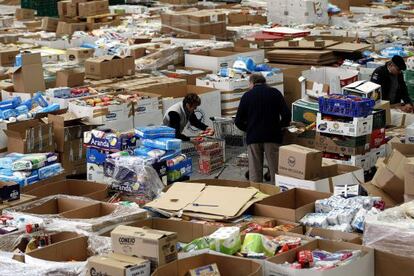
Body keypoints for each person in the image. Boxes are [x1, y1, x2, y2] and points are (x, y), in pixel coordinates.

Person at [235, 74, 291, 183]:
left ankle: (257, 193)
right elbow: (286, 114)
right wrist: (279, 127)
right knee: (275, 168)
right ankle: (277, 193)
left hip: (254, 138)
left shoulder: (247, 96)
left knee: (255, 170)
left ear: (252, 83)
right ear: (264, 82)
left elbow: (238, 121)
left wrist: (249, 129)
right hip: (272, 136)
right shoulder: (275, 93)